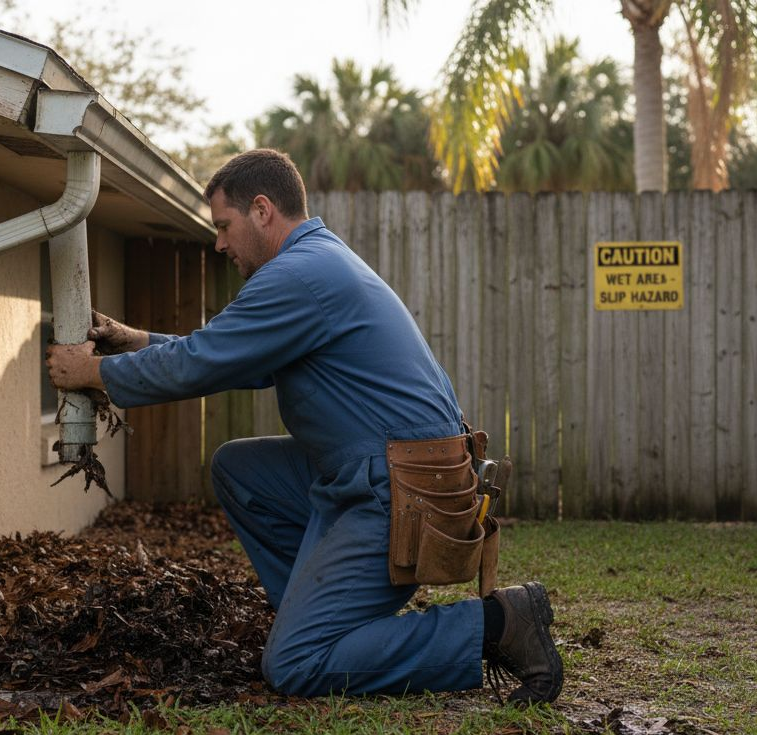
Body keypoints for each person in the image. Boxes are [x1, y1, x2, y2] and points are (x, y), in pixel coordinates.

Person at [46, 149, 562, 703]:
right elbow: (234, 356)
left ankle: (496, 623)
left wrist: (91, 372)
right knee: (239, 469)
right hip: (383, 474)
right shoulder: (317, 263)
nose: (218, 243)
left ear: (262, 210)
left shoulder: (299, 276)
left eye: (223, 226)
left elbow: (201, 362)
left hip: (401, 492)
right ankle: (318, 613)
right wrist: (138, 342)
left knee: (294, 665)